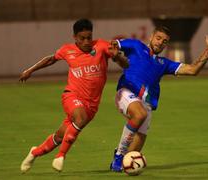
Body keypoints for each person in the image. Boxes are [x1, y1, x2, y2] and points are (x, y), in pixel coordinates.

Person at [20, 18, 128, 173]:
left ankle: (34, 153)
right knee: (80, 118)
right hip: (72, 96)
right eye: (82, 38)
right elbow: (51, 59)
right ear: (75, 37)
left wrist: (117, 57)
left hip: (91, 105)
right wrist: (30, 70)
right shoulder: (67, 50)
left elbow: (125, 64)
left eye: (89, 38)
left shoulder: (102, 46)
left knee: (59, 137)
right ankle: (61, 156)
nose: (86, 42)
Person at [109, 26, 208, 172]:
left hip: (146, 103)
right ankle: (119, 156)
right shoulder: (136, 46)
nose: (160, 43)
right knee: (140, 114)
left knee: (132, 155)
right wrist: (115, 54)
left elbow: (193, 70)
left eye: (164, 41)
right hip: (126, 92)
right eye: (158, 38)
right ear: (151, 37)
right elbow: (111, 45)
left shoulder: (164, 63)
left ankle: (120, 158)